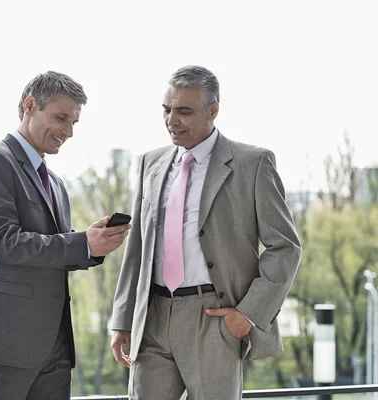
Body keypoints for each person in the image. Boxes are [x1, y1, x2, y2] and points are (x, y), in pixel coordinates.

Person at [109, 65, 302, 399]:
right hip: (152, 316)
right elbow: (138, 248)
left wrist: (248, 315)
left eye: (184, 111)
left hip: (213, 318)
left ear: (213, 110)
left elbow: (285, 248)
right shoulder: (149, 164)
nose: (172, 120)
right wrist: (122, 318)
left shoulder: (252, 163)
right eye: (167, 110)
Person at [0, 70, 131, 400]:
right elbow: (3, 242)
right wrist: (80, 242)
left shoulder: (56, 183)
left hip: (54, 349)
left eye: (74, 123)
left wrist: (92, 245)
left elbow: (56, 252)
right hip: (4, 345)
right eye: (60, 118)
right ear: (29, 105)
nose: (67, 131)